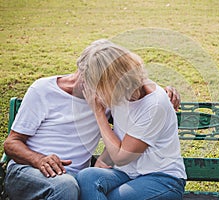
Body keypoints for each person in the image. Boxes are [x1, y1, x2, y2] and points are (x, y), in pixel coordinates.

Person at [3, 41, 181, 200]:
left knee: (75, 183)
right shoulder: (43, 90)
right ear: (85, 74)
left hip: (79, 178)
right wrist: (39, 159)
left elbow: (135, 91)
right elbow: (11, 143)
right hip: (30, 171)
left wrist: (164, 94)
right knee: (70, 184)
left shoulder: (108, 96)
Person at [75, 39, 186, 200]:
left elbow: (121, 157)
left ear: (110, 82)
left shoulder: (154, 104)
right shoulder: (122, 91)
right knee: (86, 177)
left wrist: (98, 112)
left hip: (163, 179)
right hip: (127, 174)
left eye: (97, 86)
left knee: (113, 198)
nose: (95, 91)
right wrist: (102, 160)